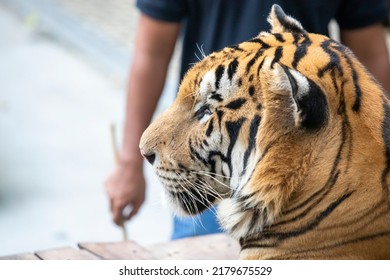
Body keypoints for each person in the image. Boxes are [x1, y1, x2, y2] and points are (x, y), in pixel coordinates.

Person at [105, 0, 390, 239]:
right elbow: (150, 54)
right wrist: (130, 163)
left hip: (305, 165)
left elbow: (371, 56)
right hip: (206, 160)